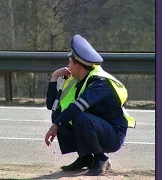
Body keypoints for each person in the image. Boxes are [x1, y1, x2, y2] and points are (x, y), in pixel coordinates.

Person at [44, 34, 136, 176]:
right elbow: (52, 106)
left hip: (113, 133)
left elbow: (78, 107)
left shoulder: (100, 83)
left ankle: (101, 158)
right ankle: (85, 157)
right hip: (98, 126)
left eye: (69, 63)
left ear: (78, 66)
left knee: (79, 117)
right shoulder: (77, 79)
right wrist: (54, 77)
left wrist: (55, 125)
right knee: (59, 114)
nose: (67, 66)